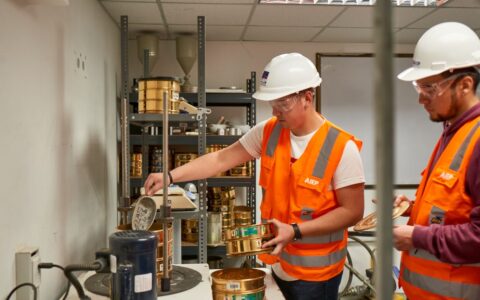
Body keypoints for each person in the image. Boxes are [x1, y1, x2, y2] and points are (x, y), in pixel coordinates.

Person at [144, 53, 365, 300]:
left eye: (283, 103)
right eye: (272, 103)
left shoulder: (342, 147)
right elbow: (220, 159)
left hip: (317, 275)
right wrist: (170, 176)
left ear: (307, 98)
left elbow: (352, 212)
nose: (276, 111)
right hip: (278, 265)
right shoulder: (269, 131)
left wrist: (295, 230)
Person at [393, 22, 480, 300]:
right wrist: (414, 209)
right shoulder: (452, 132)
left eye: (429, 87)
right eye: (419, 87)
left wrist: (417, 236)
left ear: (465, 85)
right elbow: (456, 207)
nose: (421, 98)